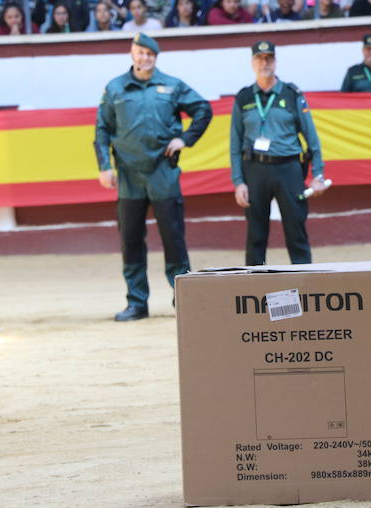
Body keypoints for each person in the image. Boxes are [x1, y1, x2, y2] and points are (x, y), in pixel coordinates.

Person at [95, 33, 213, 321]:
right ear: (132, 54)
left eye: (149, 54)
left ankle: (182, 301)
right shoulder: (115, 88)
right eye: (139, 52)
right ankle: (137, 302)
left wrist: (185, 139)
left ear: (155, 57)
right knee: (131, 240)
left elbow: (203, 109)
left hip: (163, 172)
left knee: (173, 239)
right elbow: (102, 129)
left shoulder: (171, 85)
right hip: (129, 175)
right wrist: (104, 166)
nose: (144, 58)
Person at [230, 41, 326, 267]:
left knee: (296, 231)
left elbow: (311, 137)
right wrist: (238, 182)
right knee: (255, 235)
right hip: (254, 171)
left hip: (289, 169)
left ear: (275, 61)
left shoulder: (292, 94)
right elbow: (235, 144)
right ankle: (252, 288)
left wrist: (318, 174)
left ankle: (305, 283)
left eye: (269, 58)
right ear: (252, 62)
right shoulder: (243, 98)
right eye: (260, 58)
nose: (265, 63)